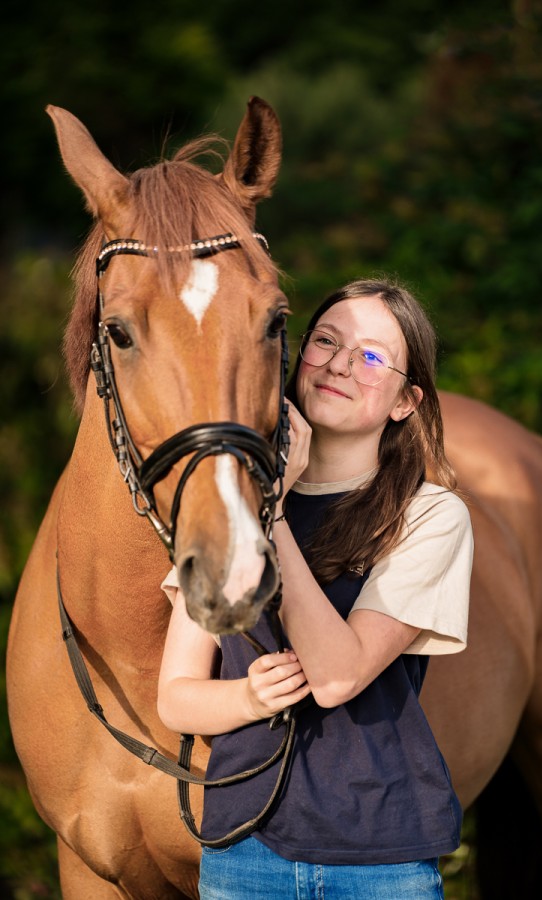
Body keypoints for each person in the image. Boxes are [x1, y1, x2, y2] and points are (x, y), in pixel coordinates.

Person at [158, 278, 473, 899]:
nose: (339, 365)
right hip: (243, 851)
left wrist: (270, 516)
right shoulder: (225, 507)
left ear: (407, 401)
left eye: (372, 356)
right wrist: (247, 698)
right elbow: (176, 698)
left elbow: (336, 677)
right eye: (326, 341)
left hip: (382, 860)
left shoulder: (428, 515)